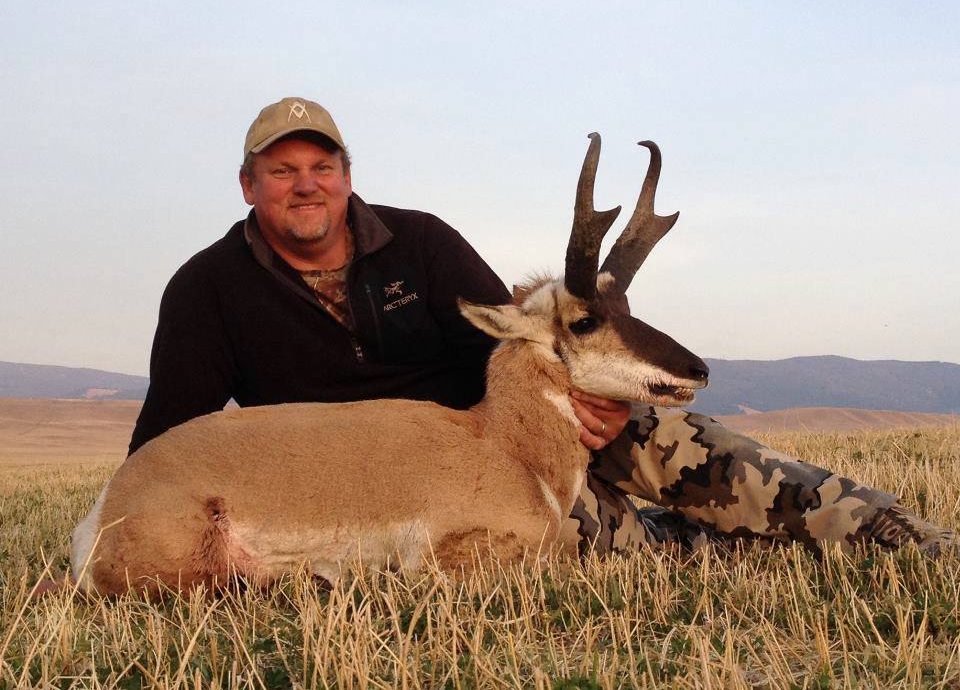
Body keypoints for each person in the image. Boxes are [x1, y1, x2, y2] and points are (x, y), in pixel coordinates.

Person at [129, 96, 957, 558]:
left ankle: (887, 529)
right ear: (248, 185)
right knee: (604, 545)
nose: (304, 186)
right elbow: (173, 430)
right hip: (419, 473)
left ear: (348, 177)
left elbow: (523, 343)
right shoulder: (207, 291)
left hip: (519, 432)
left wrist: (591, 406)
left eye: (321, 168)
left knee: (689, 446)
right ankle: (705, 546)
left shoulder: (419, 240)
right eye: (283, 172)